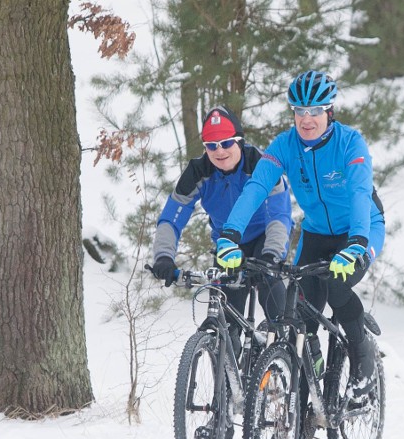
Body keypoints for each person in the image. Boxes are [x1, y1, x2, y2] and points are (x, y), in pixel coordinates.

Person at [215, 71, 385, 401]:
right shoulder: (284, 146)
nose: (307, 120)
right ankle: (304, 408)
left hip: (362, 229)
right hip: (316, 233)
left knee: (337, 285)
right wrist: (230, 234)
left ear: (329, 112)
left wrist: (357, 242)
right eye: (300, 111)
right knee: (301, 310)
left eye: (315, 111)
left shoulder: (350, 142)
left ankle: (363, 361)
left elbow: (361, 193)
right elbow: (256, 188)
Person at [151, 105, 292, 356]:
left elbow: (279, 216)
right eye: (211, 145)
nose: (220, 151)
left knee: (273, 301)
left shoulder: (260, 164)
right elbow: (171, 217)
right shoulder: (198, 171)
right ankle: (226, 390)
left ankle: (283, 357)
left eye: (227, 143)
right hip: (228, 247)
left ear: (240, 141)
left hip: (264, 240)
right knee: (225, 326)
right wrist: (163, 257)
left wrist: (272, 255)